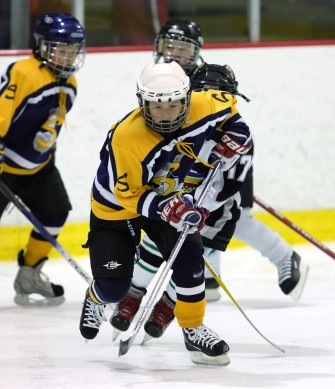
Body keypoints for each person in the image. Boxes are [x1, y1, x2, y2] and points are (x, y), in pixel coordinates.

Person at [79, 61, 253, 366]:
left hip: (167, 196)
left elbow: (233, 116)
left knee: (190, 253)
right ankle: (97, 295)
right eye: (155, 107)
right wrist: (164, 207)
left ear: (187, 99)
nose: (164, 114)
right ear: (142, 102)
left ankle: (193, 328)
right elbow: (127, 194)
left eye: (173, 106)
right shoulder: (127, 138)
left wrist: (237, 135)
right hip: (117, 208)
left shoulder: (206, 103)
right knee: (113, 288)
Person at [125, 18, 309, 303]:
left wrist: (222, 161)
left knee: (232, 217)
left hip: (223, 158)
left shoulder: (205, 77)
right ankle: (209, 276)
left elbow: (231, 121)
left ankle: (284, 257)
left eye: (182, 48)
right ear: (158, 48)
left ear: (196, 51)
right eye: (168, 46)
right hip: (181, 162)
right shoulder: (156, 76)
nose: (174, 53)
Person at [0, 12, 86, 306]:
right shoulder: (22, 72)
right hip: (4, 164)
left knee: (55, 212)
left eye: (72, 50)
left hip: (39, 166)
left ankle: (29, 275)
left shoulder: (70, 82)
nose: (67, 56)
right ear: (41, 47)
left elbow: (51, 125)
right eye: (60, 49)